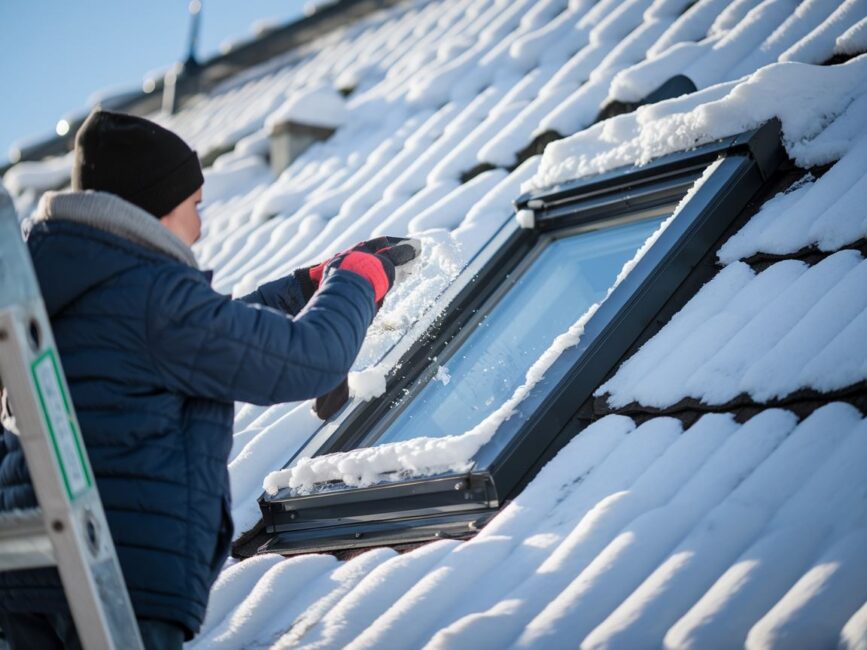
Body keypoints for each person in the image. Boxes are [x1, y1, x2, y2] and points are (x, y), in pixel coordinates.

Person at [0, 110, 418, 649]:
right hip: (116, 584)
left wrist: (300, 288)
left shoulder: (56, 292)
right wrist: (360, 277)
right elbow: (312, 359)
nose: (200, 227)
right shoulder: (150, 296)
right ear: (152, 210)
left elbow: (190, 340)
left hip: (29, 587)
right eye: (194, 206)